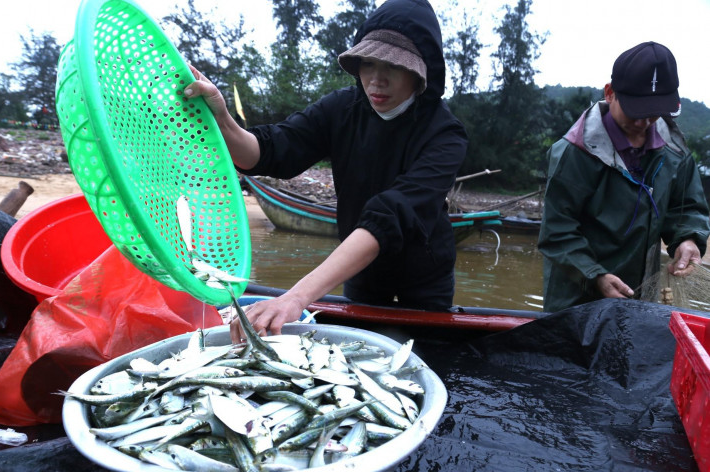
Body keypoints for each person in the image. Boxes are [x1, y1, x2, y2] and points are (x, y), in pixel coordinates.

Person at [184, 0, 468, 339]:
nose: (376, 80)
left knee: (427, 353)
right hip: (362, 269)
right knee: (359, 348)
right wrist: (221, 121)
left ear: (420, 71)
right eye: (368, 63)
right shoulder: (341, 109)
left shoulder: (445, 134)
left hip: (425, 274)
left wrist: (297, 297)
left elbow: (392, 213)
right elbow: (274, 148)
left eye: (393, 66)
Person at [538, 41, 710, 313]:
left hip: (640, 296)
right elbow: (557, 233)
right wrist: (595, 276)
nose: (643, 123)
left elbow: (686, 209)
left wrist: (688, 239)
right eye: (635, 111)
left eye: (653, 114)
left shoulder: (675, 151)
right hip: (575, 301)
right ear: (610, 93)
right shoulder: (574, 153)